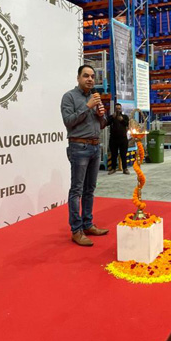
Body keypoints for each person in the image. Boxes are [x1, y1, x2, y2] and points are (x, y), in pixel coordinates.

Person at [60, 65, 110, 247]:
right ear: (78, 78)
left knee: (90, 189)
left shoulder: (94, 97)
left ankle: (88, 224)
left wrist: (101, 115)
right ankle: (76, 230)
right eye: (86, 76)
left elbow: (101, 124)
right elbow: (69, 121)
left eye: (92, 76)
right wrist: (88, 107)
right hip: (79, 147)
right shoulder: (69, 97)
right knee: (77, 190)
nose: (90, 79)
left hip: (95, 147)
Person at [107, 103, 130, 175]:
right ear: (114, 109)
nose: (118, 110)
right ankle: (113, 168)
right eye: (116, 109)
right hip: (113, 138)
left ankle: (125, 168)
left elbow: (127, 124)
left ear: (121, 109)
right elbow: (107, 123)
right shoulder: (111, 117)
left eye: (119, 109)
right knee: (114, 154)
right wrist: (112, 118)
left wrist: (122, 120)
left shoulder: (125, 117)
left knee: (123, 154)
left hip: (123, 138)